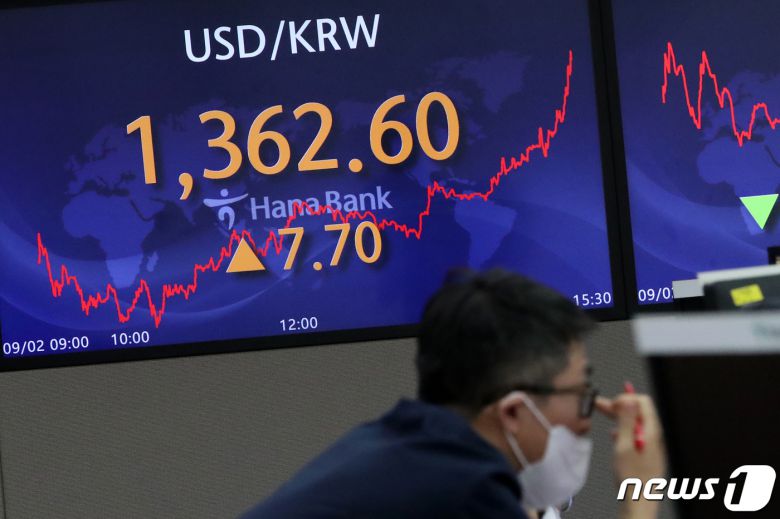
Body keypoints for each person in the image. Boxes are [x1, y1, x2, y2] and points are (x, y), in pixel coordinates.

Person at [242, 269, 666, 518]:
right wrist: (641, 492)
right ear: (513, 413)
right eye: (579, 395)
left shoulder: (404, 443)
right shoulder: (467, 492)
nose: (586, 418)